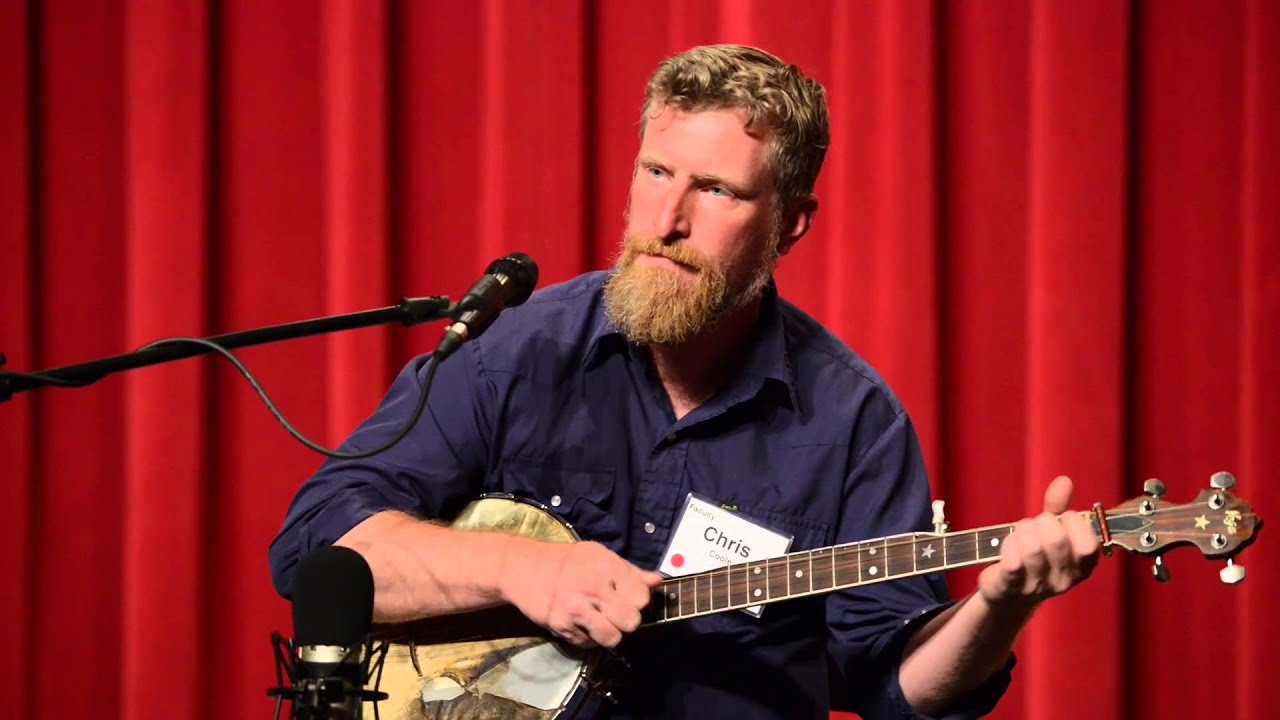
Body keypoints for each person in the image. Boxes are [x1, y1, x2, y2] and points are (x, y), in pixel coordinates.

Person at [269, 44, 1099, 719]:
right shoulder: (511, 352)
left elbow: (899, 689)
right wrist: (519, 569)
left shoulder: (856, 421)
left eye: (716, 190)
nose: (667, 221)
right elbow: (317, 547)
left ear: (790, 222)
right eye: (657, 173)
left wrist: (999, 607)